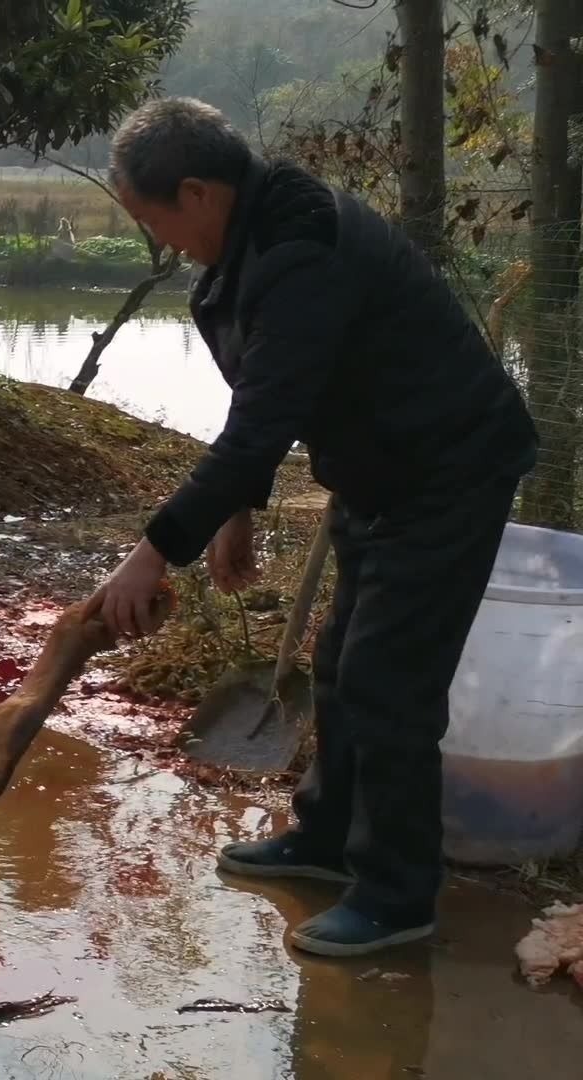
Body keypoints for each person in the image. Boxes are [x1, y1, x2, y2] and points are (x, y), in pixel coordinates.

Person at [89, 97, 538, 957]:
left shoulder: (301, 251)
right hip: (380, 467)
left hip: (451, 467)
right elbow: (268, 396)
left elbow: (257, 429)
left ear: (195, 192)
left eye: (155, 221)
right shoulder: (251, 235)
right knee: (339, 663)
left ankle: (399, 896)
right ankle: (329, 841)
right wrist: (236, 513)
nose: (161, 241)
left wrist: (152, 552)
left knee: (388, 681)